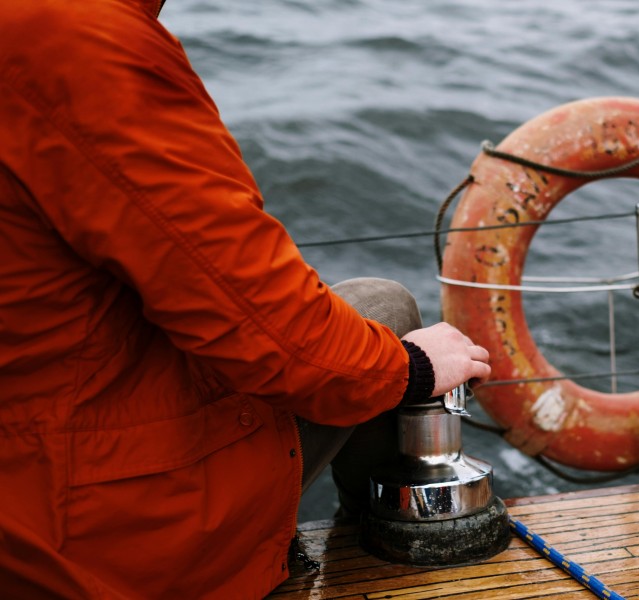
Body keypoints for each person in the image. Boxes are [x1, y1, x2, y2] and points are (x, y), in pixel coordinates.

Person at [0, 0, 490, 598]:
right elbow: (275, 336)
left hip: (37, 459)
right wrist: (411, 368)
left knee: (367, 310)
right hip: (88, 540)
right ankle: (382, 567)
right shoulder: (75, 40)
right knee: (386, 312)